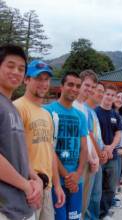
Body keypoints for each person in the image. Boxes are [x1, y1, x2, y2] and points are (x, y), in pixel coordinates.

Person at [14, 60, 65, 220]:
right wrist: (28, 182)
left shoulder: (46, 114)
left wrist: (57, 185)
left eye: (47, 79)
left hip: (46, 187)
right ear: (26, 79)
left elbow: (50, 151)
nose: (43, 83)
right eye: (38, 78)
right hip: (28, 187)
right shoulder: (18, 107)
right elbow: (13, 151)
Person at [0, 44, 42, 220]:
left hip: (22, 206)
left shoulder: (13, 108)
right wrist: (26, 185)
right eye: (10, 66)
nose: (16, 72)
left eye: (21, 69)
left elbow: (19, 153)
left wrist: (36, 178)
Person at [44, 71, 88, 220]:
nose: (74, 89)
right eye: (70, 84)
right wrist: (67, 177)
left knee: (74, 217)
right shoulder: (48, 111)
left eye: (77, 86)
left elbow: (84, 148)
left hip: (77, 180)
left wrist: (78, 174)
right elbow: (48, 148)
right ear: (61, 86)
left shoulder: (80, 116)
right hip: (56, 180)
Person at [72, 69, 100, 219]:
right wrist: (90, 158)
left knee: (84, 202)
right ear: (80, 84)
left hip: (89, 160)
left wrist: (95, 157)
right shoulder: (74, 106)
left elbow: (88, 135)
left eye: (92, 87)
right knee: (77, 202)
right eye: (87, 85)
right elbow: (79, 138)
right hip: (78, 161)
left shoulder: (86, 109)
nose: (90, 89)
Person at [95, 84, 122, 219]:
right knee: (96, 188)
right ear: (103, 94)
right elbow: (93, 134)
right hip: (98, 155)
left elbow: (118, 134)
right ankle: (94, 214)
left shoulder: (115, 115)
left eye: (113, 95)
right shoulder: (94, 112)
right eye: (108, 94)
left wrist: (110, 147)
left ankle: (103, 213)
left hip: (113, 156)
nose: (110, 97)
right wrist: (103, 149)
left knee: (111, 187)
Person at [84, 82, 108, 220]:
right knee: (89, 194)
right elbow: (89, 134)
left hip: (98, 156)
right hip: (91, 157)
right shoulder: (85, 110)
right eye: (98, 90)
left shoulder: (93, 111)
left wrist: (103, 149)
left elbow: (98, 135)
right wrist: (99, 153)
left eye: (102, 92)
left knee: (96, 194)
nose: (100, 94)